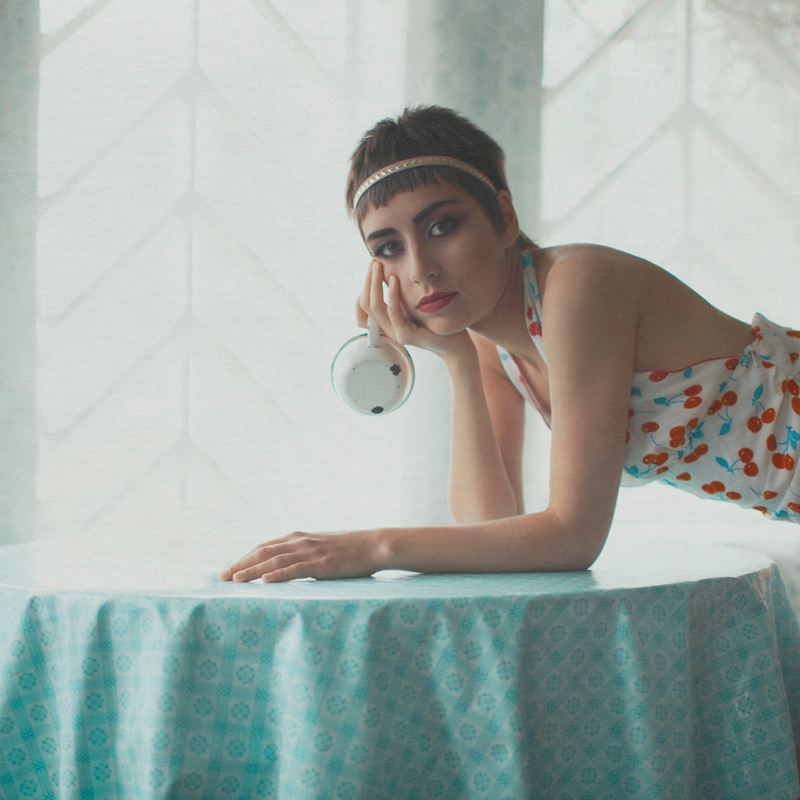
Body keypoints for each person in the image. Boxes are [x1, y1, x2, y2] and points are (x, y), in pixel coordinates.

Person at [220, 105, 800, 584]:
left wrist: (373, 548)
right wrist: (456, 359)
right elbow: (489, 525)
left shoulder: (577, 287)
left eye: (442, 226)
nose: (420, 268)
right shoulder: (494, 347)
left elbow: (572, 536)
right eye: (389, 248)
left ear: (502, 215)